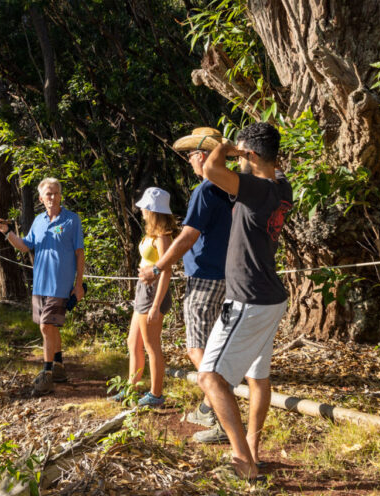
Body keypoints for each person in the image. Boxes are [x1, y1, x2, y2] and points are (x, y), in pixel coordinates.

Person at [195, 122, 292, 479]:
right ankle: (251, 448)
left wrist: (226, 149)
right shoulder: (282, 186)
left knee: (210, 378)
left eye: (244, 155)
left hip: (248, 299)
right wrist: (245, 153)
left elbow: (210, 170)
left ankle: (243, 464)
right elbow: (248, 170)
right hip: (270, 298)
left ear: (250, 155)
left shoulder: (255, 189)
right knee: (257, 376)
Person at [139, 127, 233, 441]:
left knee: (198, 350)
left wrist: (158, 267)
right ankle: (209, 407)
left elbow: (188, 236)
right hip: (228, 277)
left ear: (204, 156)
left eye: (192, 154)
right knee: (214, 348)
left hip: (205, 277)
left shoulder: (206, 190)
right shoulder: (232, 189)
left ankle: (223, 421)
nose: (190, 159)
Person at [0, 178, 85, 396]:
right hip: (39, 285)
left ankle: (47, 373)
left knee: (45, 327)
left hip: (60, 286)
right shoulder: (38, 221)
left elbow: (79, 253)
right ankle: (60, 366)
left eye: (55, 193)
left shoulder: (72, 220)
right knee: (50, 328)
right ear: (41, 198)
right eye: (47, 194)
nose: (52, 197)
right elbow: (25, 246)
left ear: (60, 195)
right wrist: (7, 232)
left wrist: (78, 285)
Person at [114, 187, 179, 407]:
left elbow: (167, 270)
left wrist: (156, 306)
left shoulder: (162, 236)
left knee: (151, 345)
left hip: (153, 294)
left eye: (144, 207)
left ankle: (156, 394)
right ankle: (131, 388)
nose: (141, 209)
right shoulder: (151, 233)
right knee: (133, 342)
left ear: (152, 209)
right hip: (143, 291)